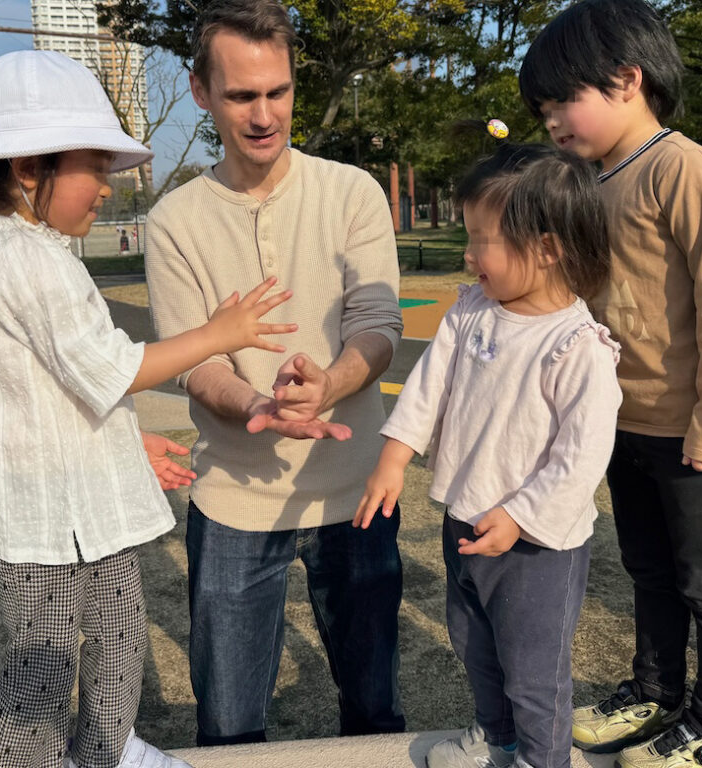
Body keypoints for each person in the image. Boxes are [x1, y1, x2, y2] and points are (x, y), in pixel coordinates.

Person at [0, 50, 296, 768]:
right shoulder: (22, 259)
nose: (106, 187)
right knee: (43, 665)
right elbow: (112, 368)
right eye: (94, 168)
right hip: (47, 517)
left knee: (120, 634)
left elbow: (63, 389)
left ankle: (105, 752)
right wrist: (216, 336)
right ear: (28, 168)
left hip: (78, 501)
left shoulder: (33, 250)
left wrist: (126, 446)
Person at [145, 0, 406, 747]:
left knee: (375, 712)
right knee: (228, 725)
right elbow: (195, 363)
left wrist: (331, 382)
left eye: (278, 91)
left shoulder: (351, 191)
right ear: (201, 91)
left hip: (355, 490)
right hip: (234, 497)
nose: (264, 115)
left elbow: (378, 324)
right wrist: (258, 403)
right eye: (241, 95)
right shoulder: (174, 222)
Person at [520, 2, 702, 766]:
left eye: (563, 100)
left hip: (696, 431)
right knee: (649, 572)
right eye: (544, 108)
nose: (552, 120)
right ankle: (656, 693)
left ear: (627, 80)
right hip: (625, 425)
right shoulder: (593, 182)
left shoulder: (680, 167)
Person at [356, 144, 621, 768]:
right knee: (475, 644)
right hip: (466, 520)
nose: (469, 254)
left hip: (537, 546)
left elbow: (582, 457)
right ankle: (497, 737)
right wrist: (393, 457)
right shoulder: (472, 311)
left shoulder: (577, 346)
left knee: (534, 669)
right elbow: (428, 387)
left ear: (547, 248)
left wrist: (522, 517)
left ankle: (542, 758)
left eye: (482, 240)